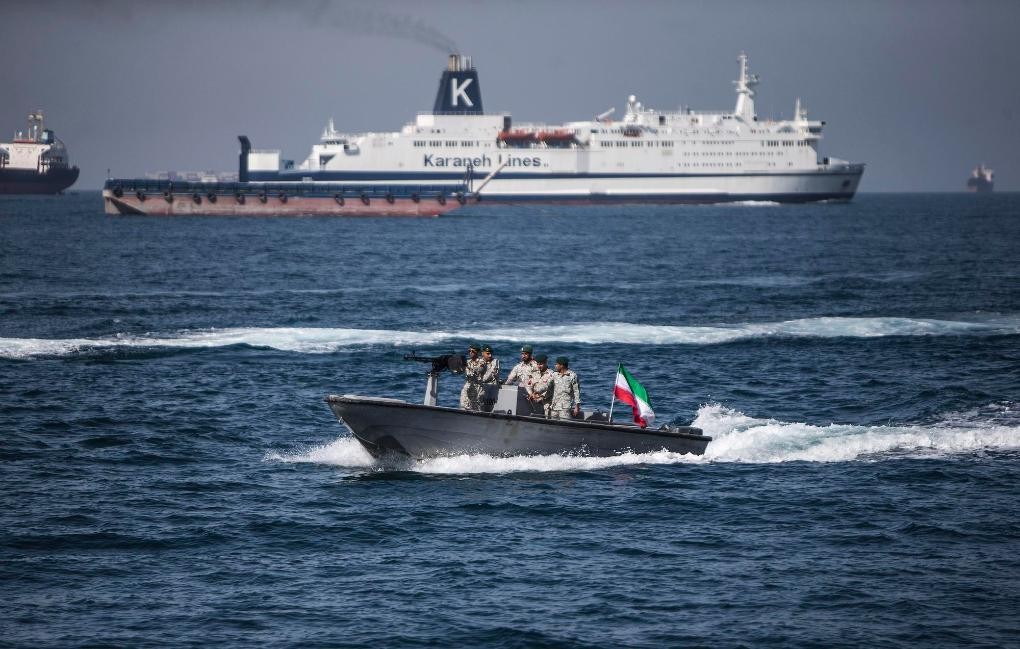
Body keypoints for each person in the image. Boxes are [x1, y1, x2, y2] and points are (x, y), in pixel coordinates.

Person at [459, 344, 486, 411]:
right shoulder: (468, 362)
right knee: (463, 406)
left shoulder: (482, 362)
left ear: (478, 353)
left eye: (472, 351)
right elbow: (460, 370)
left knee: (477, 408)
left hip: (477, 387)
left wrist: (467, 366)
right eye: (469, 351)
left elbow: (478, 370)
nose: (470, 353)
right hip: (468, 385)